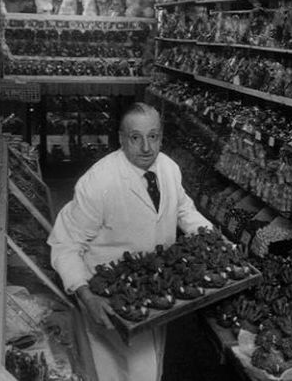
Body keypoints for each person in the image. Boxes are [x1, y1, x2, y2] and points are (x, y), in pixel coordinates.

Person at [48, 102, 213, 381]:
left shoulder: (169, 168)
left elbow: (185, 210)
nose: (146, 147)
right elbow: (66, 244)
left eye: (154, 136)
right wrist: (86, 296)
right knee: (124, 370)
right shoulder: (99, 182)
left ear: (161, 136)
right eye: (136, 138)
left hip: (154, 288)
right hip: (111, 298)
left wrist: (213, 238)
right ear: (121, 138)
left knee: (150, 363)